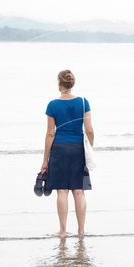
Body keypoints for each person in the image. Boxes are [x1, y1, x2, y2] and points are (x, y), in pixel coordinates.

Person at [40, 70, 94, 237]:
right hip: (78, 149)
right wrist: (89, 149)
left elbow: (50, 134)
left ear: (59, 83)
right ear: (72, 83)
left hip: (59, 150)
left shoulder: (52, 105)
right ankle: (81, 231)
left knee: (62, 190)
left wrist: (44, 160)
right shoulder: (84, 102)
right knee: (79, 191)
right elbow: (90, 130)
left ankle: (63, 231)